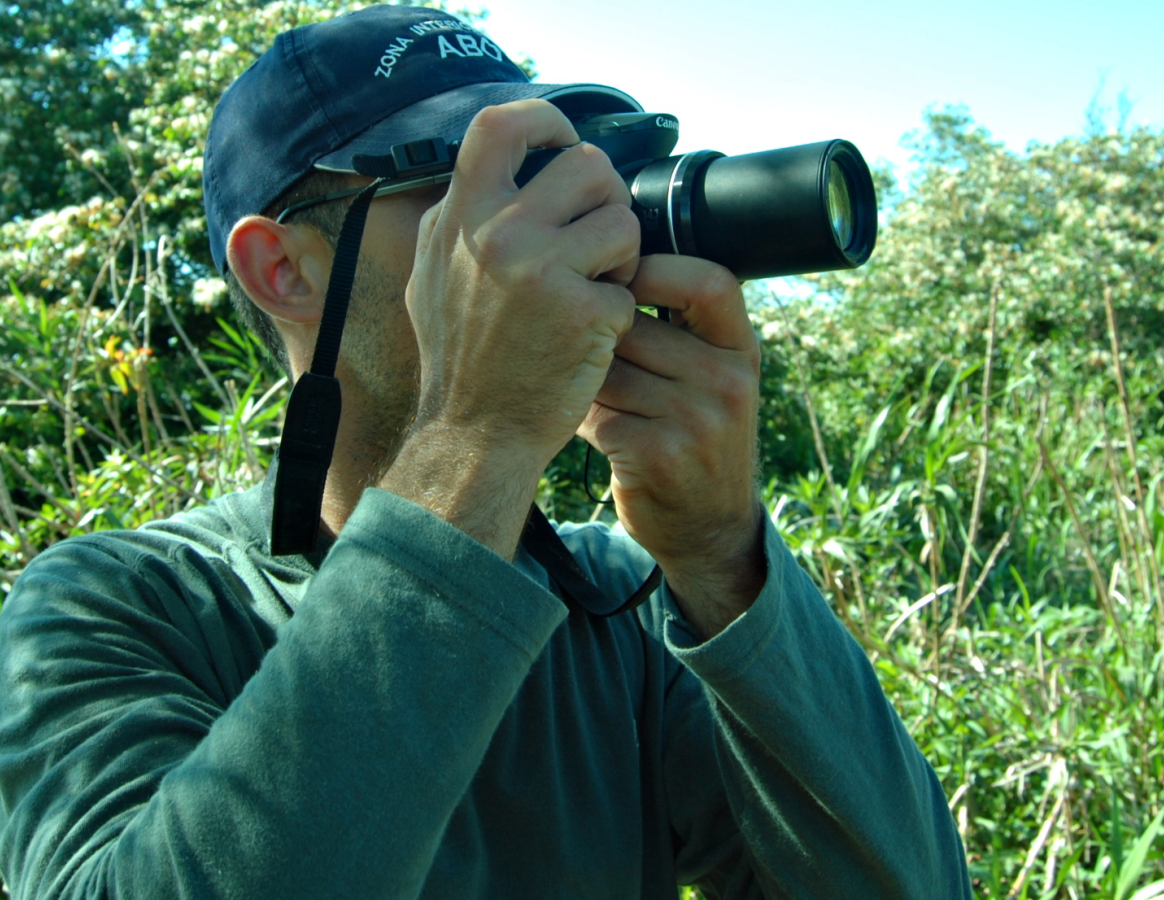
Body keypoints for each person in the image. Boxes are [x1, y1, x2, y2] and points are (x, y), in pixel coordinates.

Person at [0, 6, 972, 899]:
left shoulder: (618, 608)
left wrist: (721, 554)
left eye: (558, 176)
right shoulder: (115, 608)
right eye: (465, 185)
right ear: (283, 269)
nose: (552, 229)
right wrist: (476, 443)